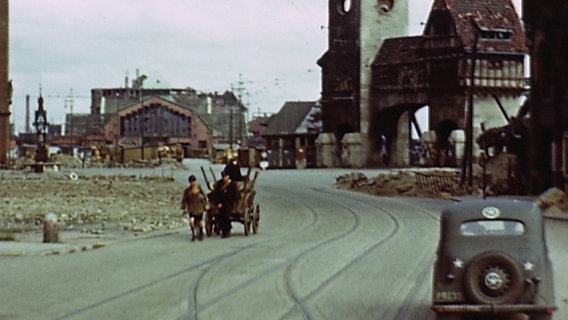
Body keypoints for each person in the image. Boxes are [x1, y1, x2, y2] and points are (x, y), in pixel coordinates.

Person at [212, 170, 239, 238]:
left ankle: (227, 231)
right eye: (223, 177)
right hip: (221, 203)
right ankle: (223, 231)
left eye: (226, 176)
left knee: (227, 217)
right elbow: (216, 194)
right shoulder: (219, 184)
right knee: (221, 217)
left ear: (228, 176)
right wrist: (218, 203)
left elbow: (235, 194)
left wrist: (232, 202)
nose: (224, 178)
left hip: (229, 203)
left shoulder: (232, 184)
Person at [180, 175, 207, 241]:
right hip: (191, 209)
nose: (192, 183)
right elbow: (184, 199)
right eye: (191, 181)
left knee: (200, 222)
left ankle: (201, 232)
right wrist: (184, 207)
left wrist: (205, 206)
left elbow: (204, 198)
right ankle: (193, 234)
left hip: (199, 208)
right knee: (191, 221)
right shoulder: (187, 191)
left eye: (193, 181)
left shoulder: (199, 188)